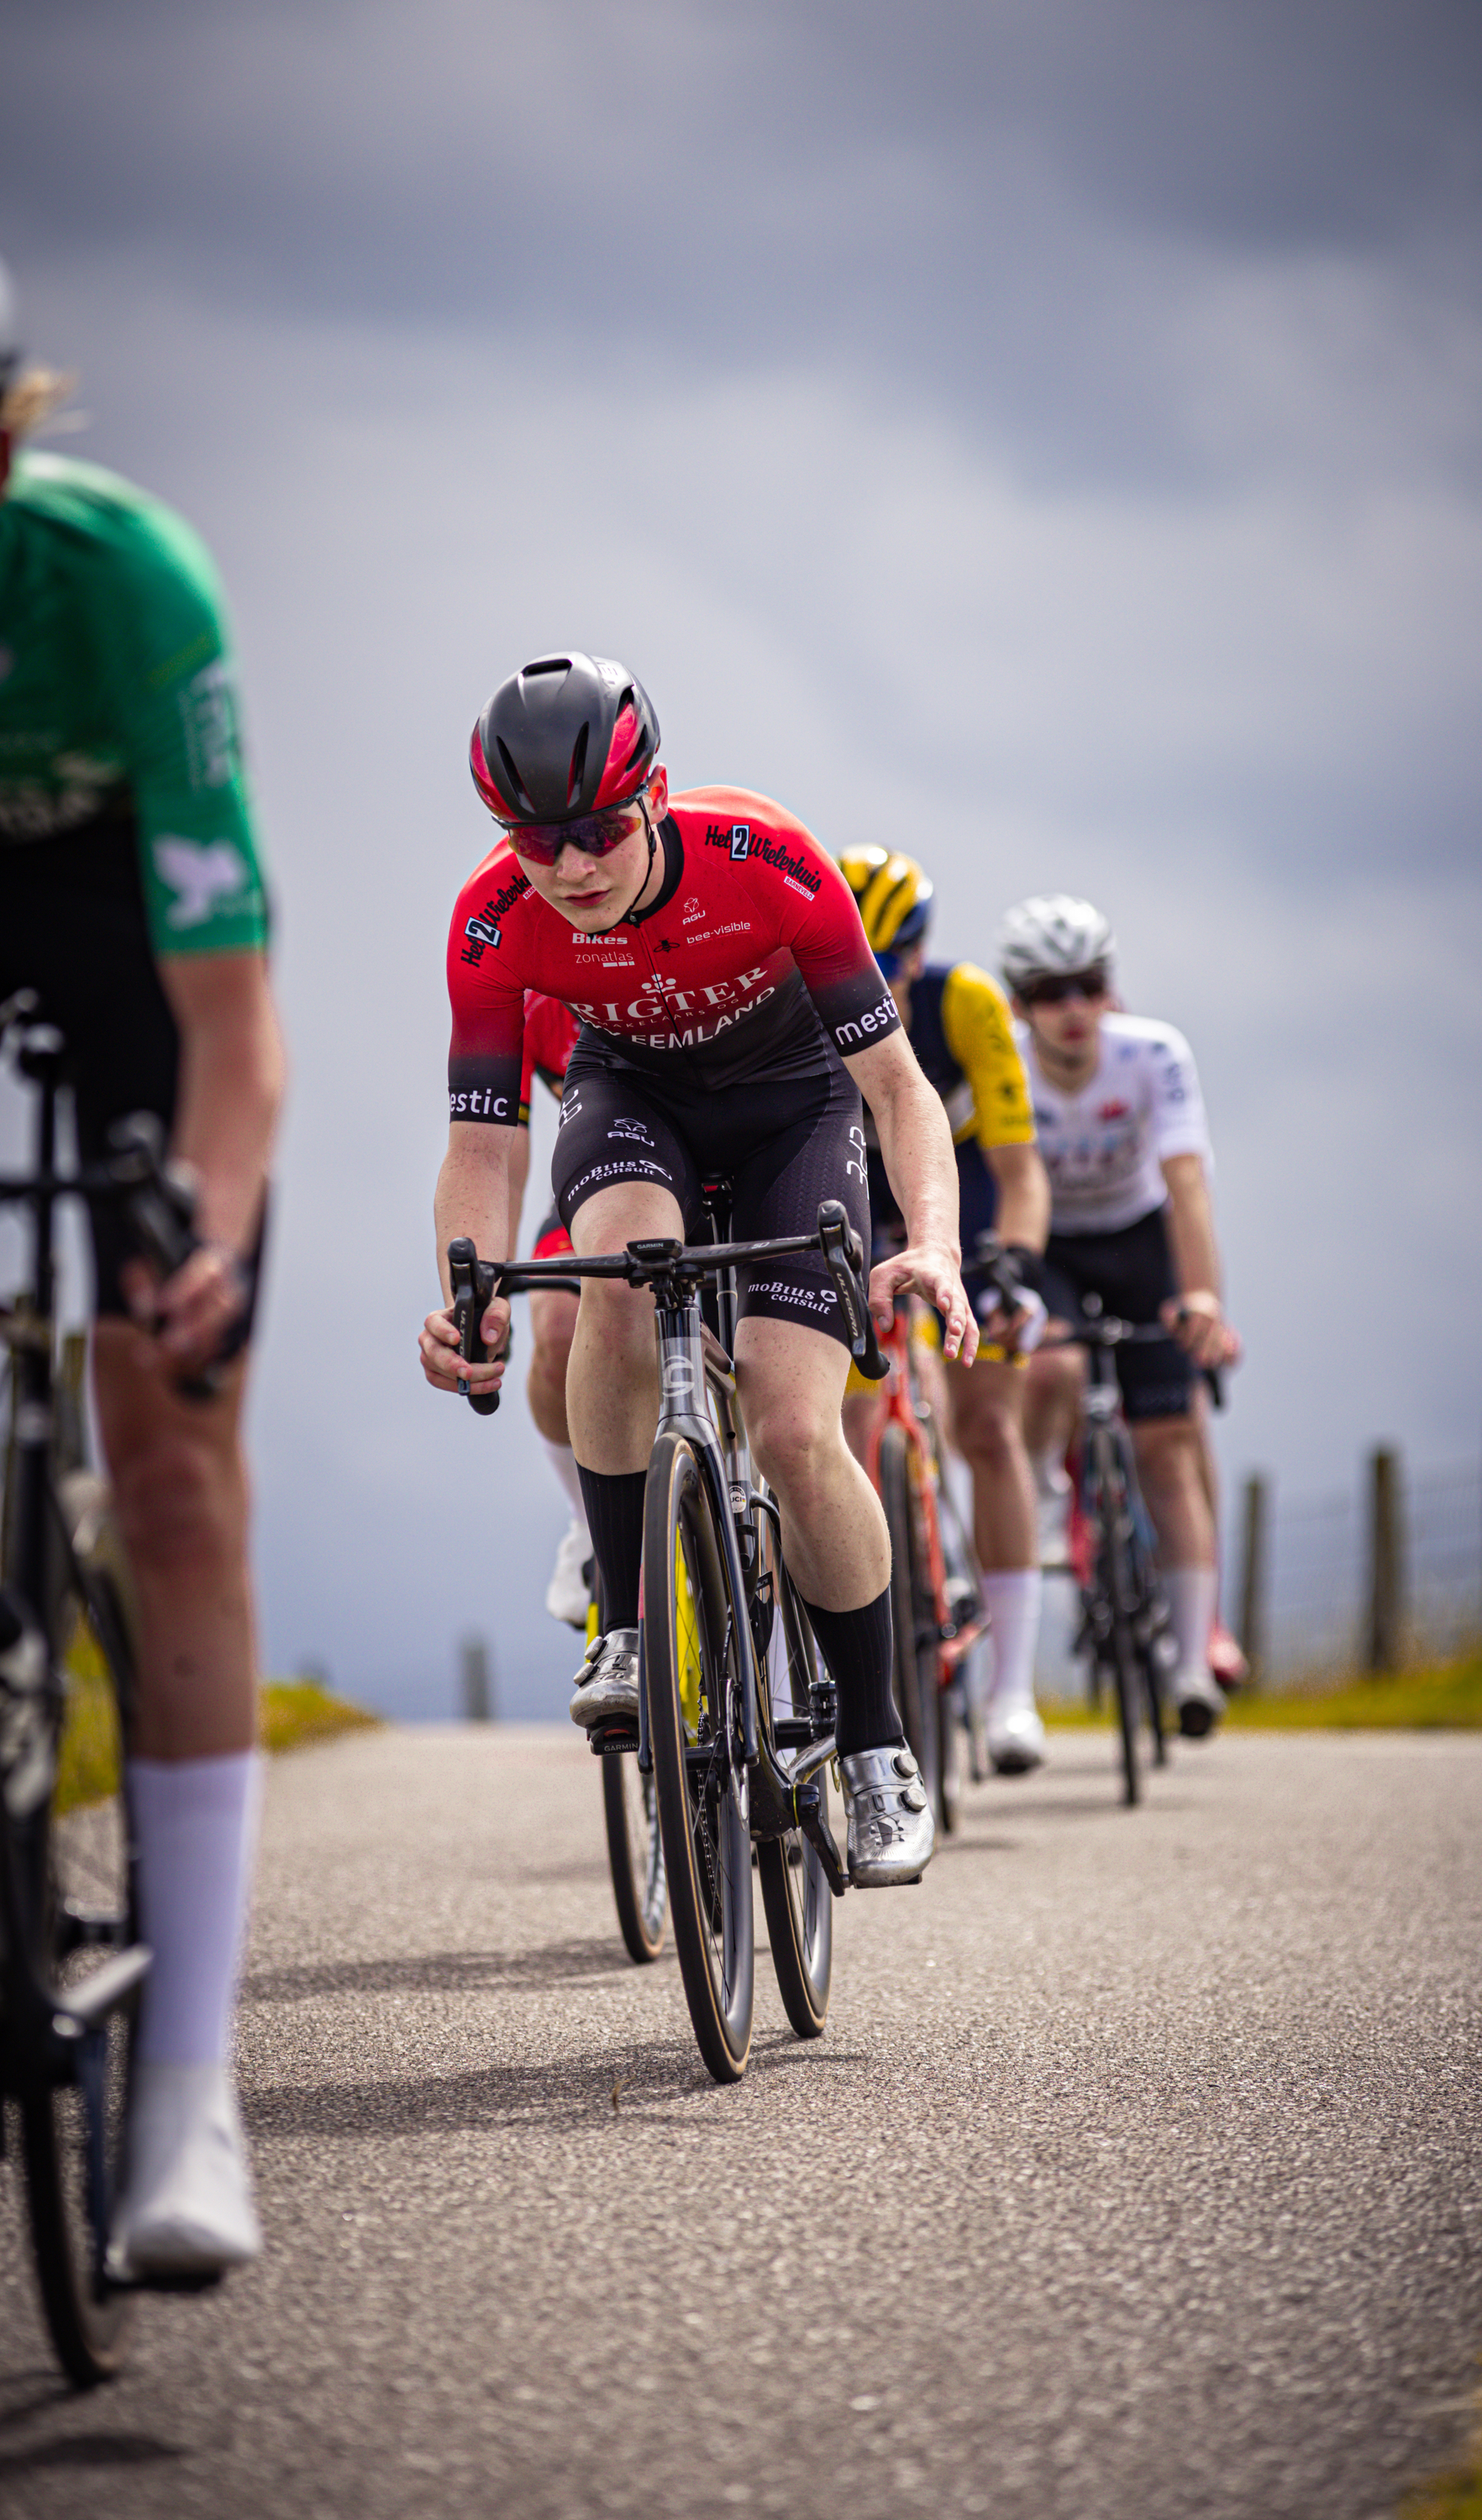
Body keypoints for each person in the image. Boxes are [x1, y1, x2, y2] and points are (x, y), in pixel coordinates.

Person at [0, 213, 281, 2276]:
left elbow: (236, 1028)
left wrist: (201, 1239)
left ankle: (187, 2084)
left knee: (170, 1466)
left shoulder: (123, 583)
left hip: (131, 942)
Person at [421, 653, 979, 1885]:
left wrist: (931, 1242)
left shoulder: (769, 858)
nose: (570, 867)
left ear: (656, 796)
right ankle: (625, 1626)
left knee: (791, 1428)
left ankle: (880, 1750)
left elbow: (898, 1089)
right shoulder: (488, 921)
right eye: (535, 841)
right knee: (612, 1277)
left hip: (797, 1113)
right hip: (633, 1104)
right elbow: (482, 1141)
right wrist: (466, 1292)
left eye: (599, 829)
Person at [996, 895, 1239, 1737]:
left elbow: (1185, 1190)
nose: (1070, 1009)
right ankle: (1040, 1485)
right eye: (1047, 992)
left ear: (1108, 989)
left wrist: (1202, 1296)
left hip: (1139, 1241)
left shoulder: (1152, 1054)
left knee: (1167, 1444)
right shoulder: (1006, 1065)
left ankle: (1189, 1658)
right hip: (1052, 1242)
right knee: (1053, 1364)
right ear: (1018, 1004)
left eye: (1087, 986)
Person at [836, 848, 1054, 1773]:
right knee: (842, 1419)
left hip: (948, 1183)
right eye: (853, 960)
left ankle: (1011, 1694)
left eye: (885, 966)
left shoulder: (966, 1006)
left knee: (989, 1428)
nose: (867, 983)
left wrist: (1008, 1265)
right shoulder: (811, 1000)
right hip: (844, 1183)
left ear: (916, 960)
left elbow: (1017, 1170)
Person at [510, 988, 592, 1626]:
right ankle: (588, 1520)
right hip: (595, 1181)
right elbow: (492, 1143)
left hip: (717, 1169)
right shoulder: (532, 1000)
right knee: (560, 1335)